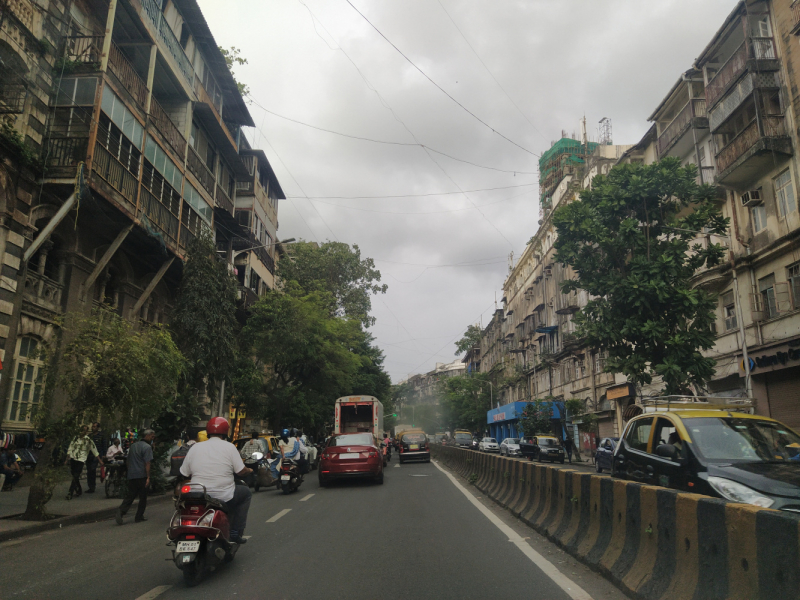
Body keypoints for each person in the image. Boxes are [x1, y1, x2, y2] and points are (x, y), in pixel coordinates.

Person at [179, 417, 252, 544]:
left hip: (197, 494)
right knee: (246, 493)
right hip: (223, 495)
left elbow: (184, 473)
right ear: (226, 432)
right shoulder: (229, 447)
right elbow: (241, 471)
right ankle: (235, 531)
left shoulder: (195, 448)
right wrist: (249, 471)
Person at [115, 429, 154, 525]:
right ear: (148, 436)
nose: (153, 439)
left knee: (130, 495)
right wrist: (148, 477)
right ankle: (139, 516)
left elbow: (128, 461)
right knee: (143, 497)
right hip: (142, 475)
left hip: (132, 474)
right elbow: (147, 463)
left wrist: (130, 471)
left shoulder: (133, 446)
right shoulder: (147, 447)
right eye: (152, 437)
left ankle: (121, 511)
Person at [65, 425, 103, 499]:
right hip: (73, 458)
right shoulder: (76, 438)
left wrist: (100, 460)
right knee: (74, 475)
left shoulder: (88, 440)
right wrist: (67, 458)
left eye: (84, 430)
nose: (82, 431)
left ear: (86, 432)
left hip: (81, 460)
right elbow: (71, 447)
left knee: (76, 475)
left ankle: (70, 493)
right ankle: (79, 489)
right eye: (82, 430)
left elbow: (94, 450)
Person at [86, 422, 106, 493]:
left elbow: (104, 445)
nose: (93, 428)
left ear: (98, 428)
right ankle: (90, 486)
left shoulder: (101, 436)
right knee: (89, 471)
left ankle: (92, 486)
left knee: (92, 469)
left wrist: (103, 455)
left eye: (94, 427)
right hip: (89, 455)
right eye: (93, 426)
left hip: (97, 455)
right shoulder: (90, 436)